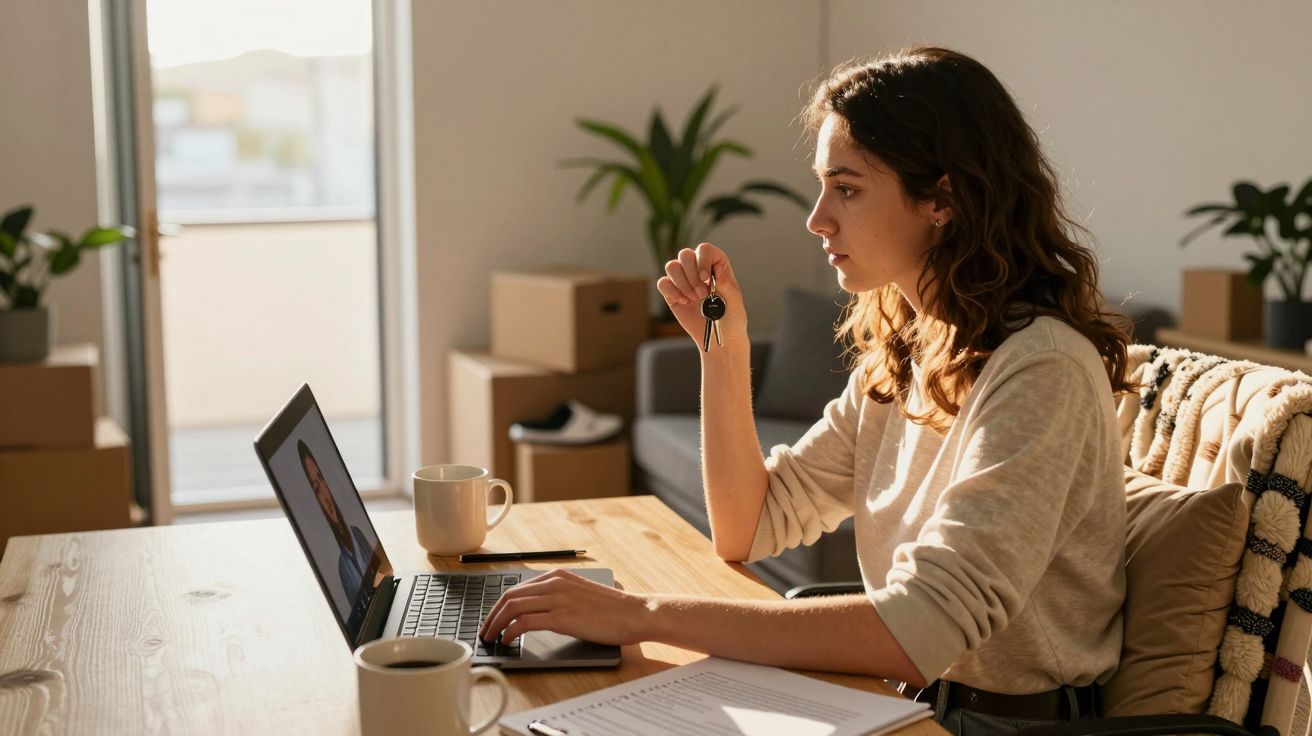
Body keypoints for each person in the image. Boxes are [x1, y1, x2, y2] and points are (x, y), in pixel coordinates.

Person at [479, 46, 1133, 734]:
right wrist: (722, 352)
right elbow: (748, 526)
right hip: (898, 702)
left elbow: (921, 629)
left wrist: (638, 614)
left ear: (943, 198)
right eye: (824, 186)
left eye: (847, 188)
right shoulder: (912, 347)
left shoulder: (1043, 369)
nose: (817, 218)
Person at [299, 439, 373, 603]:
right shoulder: (343, 568)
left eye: (321, 479)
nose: (325, 495)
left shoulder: (357, 534)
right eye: (316, 489)